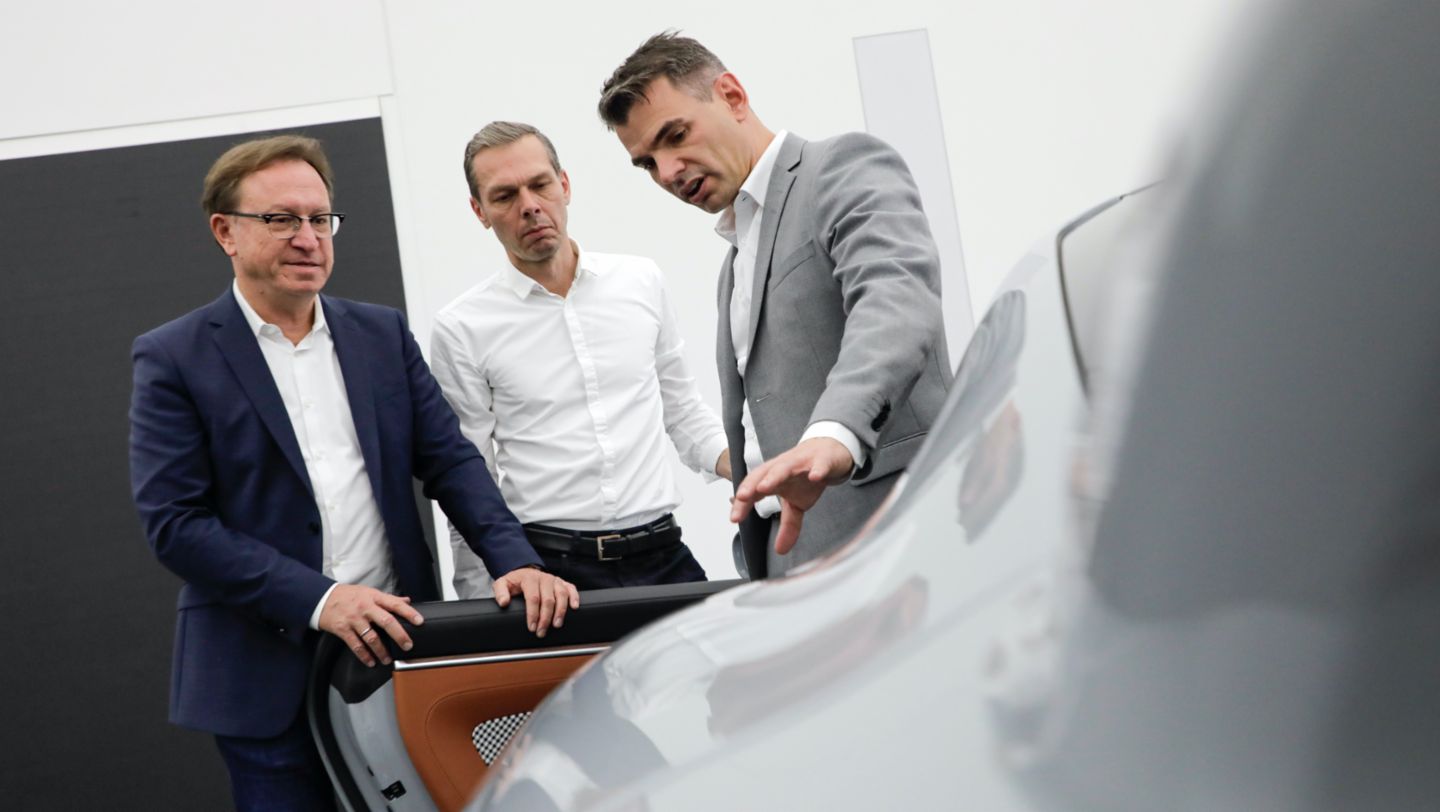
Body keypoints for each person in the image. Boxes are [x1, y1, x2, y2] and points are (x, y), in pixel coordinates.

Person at [128, 134, 579, 811]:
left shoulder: (381, 334)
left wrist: (515, 559)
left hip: (400, 653)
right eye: (280, 220)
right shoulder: (173, 357)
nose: (308, 238)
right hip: (263, 669)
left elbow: (450, 460)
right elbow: (177, 526)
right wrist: (321, 598)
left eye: (320, 219)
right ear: (226, 231)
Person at [598, 32, 953, 577]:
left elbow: (895, 301)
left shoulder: (842, 167)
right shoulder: (733, 262)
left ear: (733, 96)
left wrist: (835, 434)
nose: (667, 172)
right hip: (785, 565)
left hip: (892, 543)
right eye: (647, 163)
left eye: (676, 135)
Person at [431, 121, 731, 594]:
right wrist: (477, 594)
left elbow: (684, 411)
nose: (529, 206)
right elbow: (472, 476)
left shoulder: (640, 281)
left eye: (540, 185)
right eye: (505, 196)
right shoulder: (463, 326)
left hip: (662, 555)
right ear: (480, 211)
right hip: (549, 573)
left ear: (564, 185)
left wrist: (753, 470)